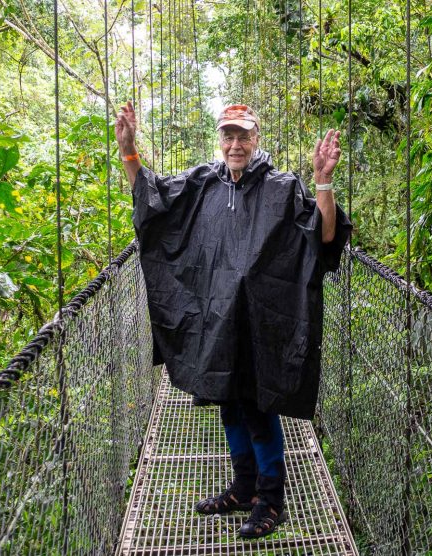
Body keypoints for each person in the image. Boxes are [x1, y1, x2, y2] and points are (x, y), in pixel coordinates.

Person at [114, 101, 352, 539]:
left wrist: (323, 181)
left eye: (244, 135)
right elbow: (153, 205)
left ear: (257, 138)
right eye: (229, 135)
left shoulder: (281, 187)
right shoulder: (202, 181)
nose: (236, 144)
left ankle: (271, 499)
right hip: (217, 319)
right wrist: (129, 150)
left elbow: (325, 235)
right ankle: (243, 489)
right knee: (227, 402)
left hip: (261, 323)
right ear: (219, 139)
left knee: (258, 409)